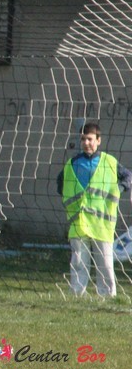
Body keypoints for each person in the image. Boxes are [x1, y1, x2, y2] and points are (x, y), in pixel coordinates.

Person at [56, 122, 130, 297]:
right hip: (79, 222)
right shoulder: (72, 164)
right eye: (83, 139)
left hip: (102, 224)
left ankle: (107, 295)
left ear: (98, 140)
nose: (86, 143)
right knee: (78, 262)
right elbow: (61, 184)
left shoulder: (110, 162)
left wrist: (119, 189)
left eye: (90, 139)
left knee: (105, 263)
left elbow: (128, 177)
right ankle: (76, 294)